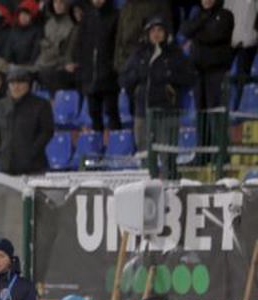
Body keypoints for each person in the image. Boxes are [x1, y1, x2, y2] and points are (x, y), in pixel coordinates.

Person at [120, 17, 194, 172]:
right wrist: (138, 79)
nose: (156, 34)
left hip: (166, 112)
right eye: (153, 30)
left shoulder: (175, 53)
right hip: (142, 111)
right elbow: (125, 78)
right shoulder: (139, 54)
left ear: (166, 33)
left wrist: (168, 77)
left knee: (168, 154)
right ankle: (146, 187)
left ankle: (170, 187)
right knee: (143, 152)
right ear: (147, 34)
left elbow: (189, 77)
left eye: (160, 30)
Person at [0, 66, 54, 175]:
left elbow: (47, 132)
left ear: (28, 85)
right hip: (6, 165)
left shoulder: (41, 105)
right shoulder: (0, 105)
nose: (16, 87)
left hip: (33, 166)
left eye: (20, 83)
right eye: (12, 83)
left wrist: (32, 151)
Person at [180, 0, 234, 112]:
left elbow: (215, 35)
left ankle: (215, 130)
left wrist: (195, 37)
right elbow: (185, 30)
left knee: (215, 111)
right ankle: (202, 130)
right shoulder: (197, 14)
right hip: (198, 70)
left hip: (216, 70)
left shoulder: (226, 15)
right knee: (200, 111)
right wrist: (202, 20)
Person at [77, 0, 121, 134]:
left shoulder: (116, 16)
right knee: (94, 114)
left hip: (109, 75)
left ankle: (116, 147)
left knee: (112, 112)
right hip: (90, 74)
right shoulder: (88, 17)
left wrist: (113, 67)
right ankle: (97, 149)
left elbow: (118, 45)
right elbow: (81, 43)